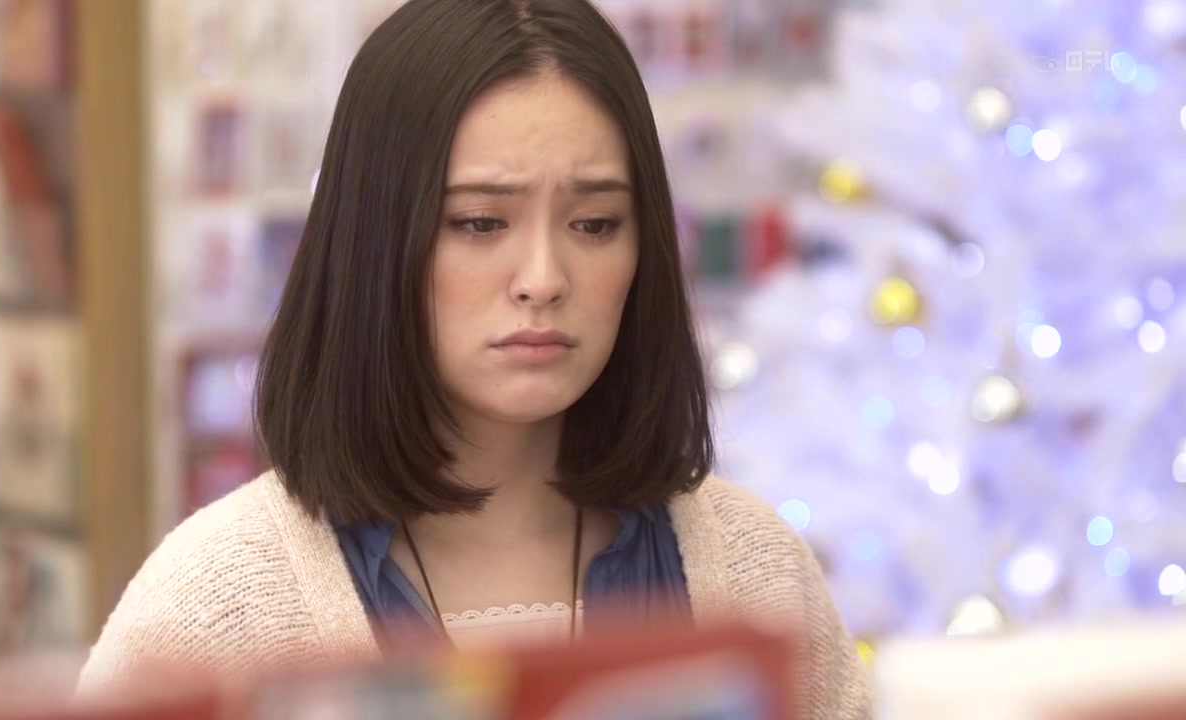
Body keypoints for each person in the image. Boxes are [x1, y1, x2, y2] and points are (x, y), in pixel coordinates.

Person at [78, 0, 870, 716]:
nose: (543, 280)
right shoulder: (216, 606)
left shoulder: (756, 570)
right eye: (481, 223)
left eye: (594, 224)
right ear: (376, 241)